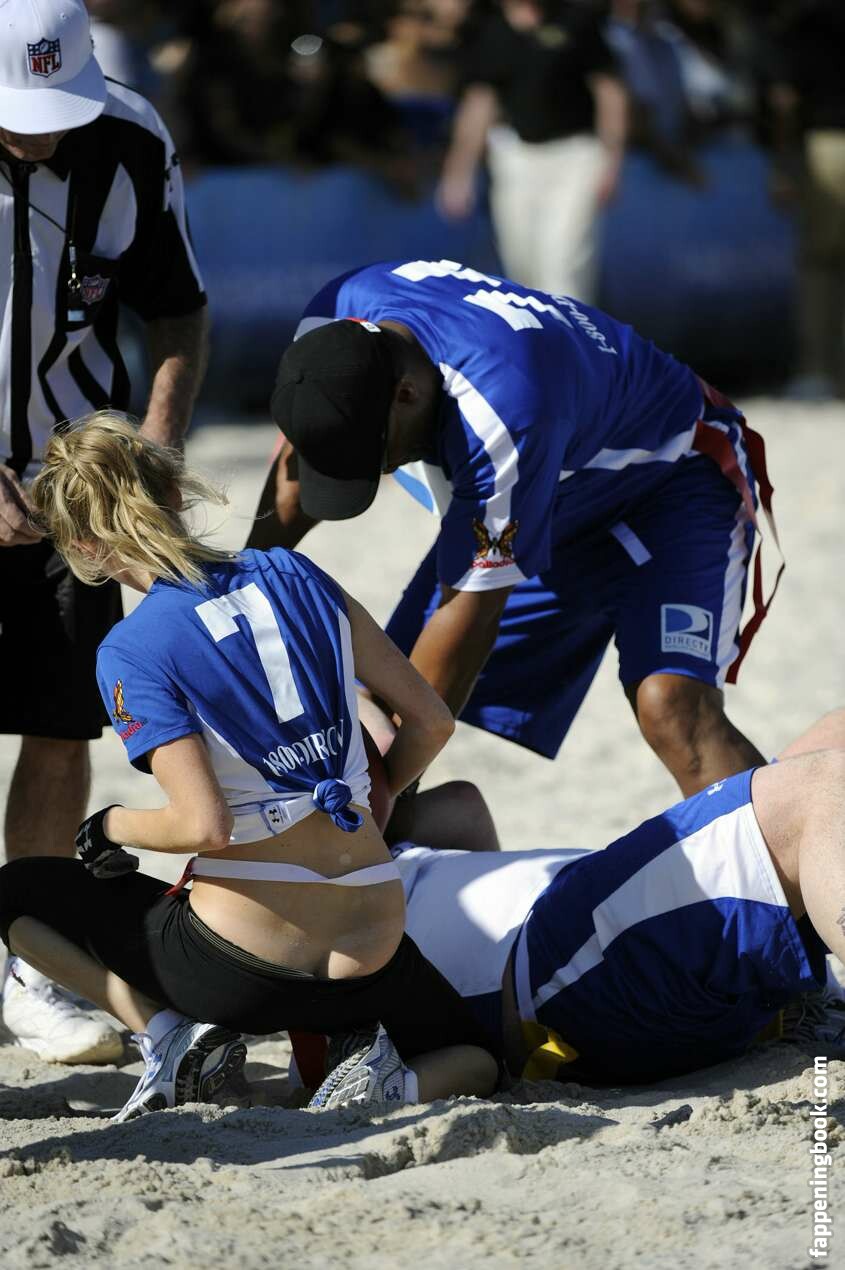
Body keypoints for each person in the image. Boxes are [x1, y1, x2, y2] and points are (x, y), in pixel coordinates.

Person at [0, 412, 498, 1122]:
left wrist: (109, 826)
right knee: (474, 1057)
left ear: (84, 545)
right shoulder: (295, 571)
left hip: (240, 970)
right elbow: (431, 722)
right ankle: (386, 1088)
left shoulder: (132, 646)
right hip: (370, 941)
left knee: (16, 892)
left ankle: (169, 1036)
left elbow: (203, 825)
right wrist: (370, 797)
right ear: (176, 494)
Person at [249, 258, 782, 836]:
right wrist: (234, 596)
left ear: (406, 394)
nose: (374, 474)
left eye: (374, 458)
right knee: (371, 704)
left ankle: (803, 862)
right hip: (557, 473)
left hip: (672, 477)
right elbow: (302, 466)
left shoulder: (499, 413)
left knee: (674, 710)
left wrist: (382, 797)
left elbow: (469, 614)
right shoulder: (334, 325)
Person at [0, 0, 208, 1062]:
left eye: (57, 113)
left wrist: (153, 457)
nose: (39, 138)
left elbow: (176, 308)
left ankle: (32, 963)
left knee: (61, 722)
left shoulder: (128, 140)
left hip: (68, 480)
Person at [367, 709, 845, 1085]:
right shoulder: (335, 904)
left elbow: (460, 807)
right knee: (819, 785)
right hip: (552, 971)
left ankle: (810, 992)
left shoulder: (369, 857)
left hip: (575, 947)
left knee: (836, 735)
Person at [436, 0, 628, 302]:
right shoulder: (493, 31)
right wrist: (458, 172)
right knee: (522, 265)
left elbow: (610, 92)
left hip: (576, 156)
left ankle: (567, 330)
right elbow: (480, 102)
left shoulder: (576, 21)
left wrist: (612, 161)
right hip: (516, 158)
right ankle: (537, 331)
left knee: (564, 263)